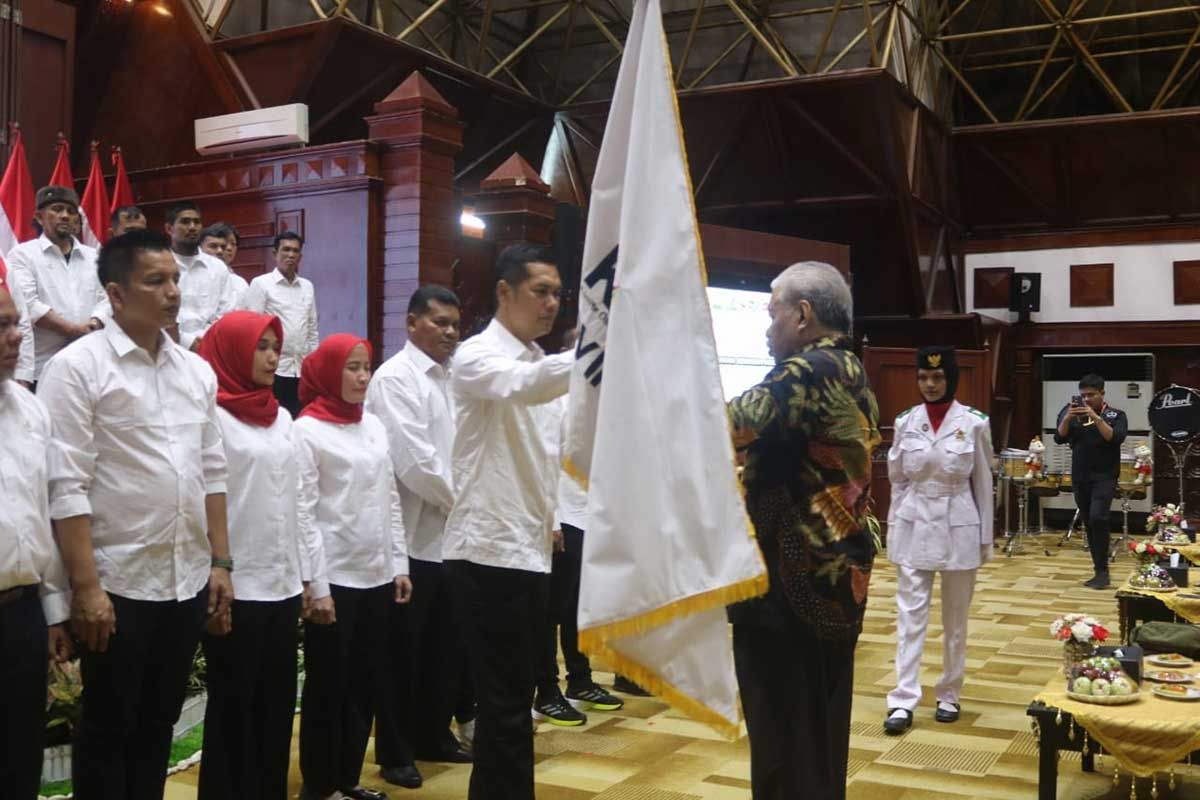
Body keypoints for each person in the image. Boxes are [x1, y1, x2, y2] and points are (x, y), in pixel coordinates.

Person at [38, 229, 235, 799]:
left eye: (175, 278)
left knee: (156, 725)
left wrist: (220, 562)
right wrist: (86, 588)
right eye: (157, 281)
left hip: (185, 577)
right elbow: (67, 486)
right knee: (108, 729)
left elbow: (212, 472)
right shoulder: (78, 368)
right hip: (117, 583)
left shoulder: (194, 371)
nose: (174, 291)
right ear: (117, 295)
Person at [726, 261, 880, 800]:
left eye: (772, 314)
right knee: (820, 727)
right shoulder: (852, 369)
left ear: (803, 314)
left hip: (790, 587)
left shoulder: (803, 371)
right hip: (838, 578)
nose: (767, 329)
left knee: (781, 734)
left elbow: (729, 424)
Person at [443, 242, 572, 800]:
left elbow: (564, 450)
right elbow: (525, 387)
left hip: (528, 547)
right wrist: (602, 349)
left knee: (514, 704)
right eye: (540, 291)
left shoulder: (541, 362)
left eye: (557, 294)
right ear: (504, 292)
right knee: (505, 707)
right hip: (486, 551)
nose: (550, 304)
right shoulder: (476, 356)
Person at [294, 333, 412, 800]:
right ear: (328, 371)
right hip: (335, 577)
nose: (363, 377)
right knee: (329, 688)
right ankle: (319, 787)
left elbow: (390, 499)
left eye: (366, 367)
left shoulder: (374, 426)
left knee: (365, 683)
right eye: (352, 368)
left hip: (377, 573)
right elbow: (302, 512)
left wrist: (399, 562)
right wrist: (316, 585)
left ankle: (347, 778)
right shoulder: (307, 430)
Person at [196, 311, 309, 799]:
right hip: (237, 582)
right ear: (232, 351)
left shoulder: (281, 415)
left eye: (274, 346)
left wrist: (304, 575)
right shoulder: (211, 417)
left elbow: (296, 500)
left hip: (281, 582)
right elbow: (204, 498)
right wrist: (216, 571)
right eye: (259, 346)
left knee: (276, 708)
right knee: (233, 711)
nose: (270, 356)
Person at [366, 285, 471, 781]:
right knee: (403, 654)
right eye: (439, 323)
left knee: (446, 647)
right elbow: (415, 463)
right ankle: (396, 751)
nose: (450, 332)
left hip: (452, 540)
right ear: (411, 324)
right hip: (411, 540)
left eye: (455, 323)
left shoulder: (454, 378)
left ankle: (433, 733)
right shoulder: (395, 379)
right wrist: (469, 507)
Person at [882, 346, 993, 735]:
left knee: (955, 620)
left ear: (951, 378)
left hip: (958, 524)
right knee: (909, 617)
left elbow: (983, 484)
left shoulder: (974, 423)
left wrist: (985, 539)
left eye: (938, 377)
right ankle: (903, 699)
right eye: (924, 377)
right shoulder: (905, 421)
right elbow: (897, 480)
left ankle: (949, 692)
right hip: (913, 523)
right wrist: (892, 526)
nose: (929, 384)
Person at [0, 277, 72, 800]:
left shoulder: (29, 410)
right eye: (0, 326)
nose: (15, 337)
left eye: (15, 323)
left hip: (21, 612)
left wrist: (52, 610)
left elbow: (43, 516)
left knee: (19, 754)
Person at [533, 331, 624, 727]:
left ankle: (580, 679)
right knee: (550, 611)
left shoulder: (602, 397)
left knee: (578, 608)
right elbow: (545, 460)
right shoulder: (559, 394)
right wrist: (551, 519)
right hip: (563, 515)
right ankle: (546, 689)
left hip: (592, 516)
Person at [6, 186, 105, 384]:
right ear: (39, 217)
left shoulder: (94, 255)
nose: (65, 216)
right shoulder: (22, 254)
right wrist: (72, 330)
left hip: (92, 361)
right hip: (44, 365)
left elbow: (106, 299)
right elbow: (27, 304)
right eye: (57, 209)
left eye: (70, 211)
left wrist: (93, 324)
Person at [1055, 373, 1128, 589]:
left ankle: (1103, 570)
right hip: (1080, 477)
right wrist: (1068, 417)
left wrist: (1095, 417)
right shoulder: (1070, 412)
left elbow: (1114, 438)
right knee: (1089, 522)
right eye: (1083, 395)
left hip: (1105, 477)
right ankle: (1099, 571)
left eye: (1091, 395)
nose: (1086, 399)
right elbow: (1059, 437)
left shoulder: (1116, 414)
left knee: (1098, 518)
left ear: (1102, 393)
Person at [243, 232, 319, 417]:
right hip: (273, 370)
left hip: (301, 370)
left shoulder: (307, 286)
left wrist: (312, 363)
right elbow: (252, 330)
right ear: (274, 253)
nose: (290, 255)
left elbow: (312, 329)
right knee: (273, 421)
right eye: (286, 249)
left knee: (299, 421)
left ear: (300, 256)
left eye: (295, 251)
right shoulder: (261, 284)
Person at [164, 200, 237, 351]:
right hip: (168, 346)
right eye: (185, 222)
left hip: (211, 348)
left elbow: (227, 311)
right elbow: (153, 311)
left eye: (196, 222)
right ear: (169, 228)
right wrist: (187, 341)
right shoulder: (158, 265)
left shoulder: (217, 267)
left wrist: (206, 340)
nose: (192, 227)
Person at [199, 223, 248, 307]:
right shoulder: (192, 275)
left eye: (233, 244)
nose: (228, 248)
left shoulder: (240, 283)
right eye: (214, 246)